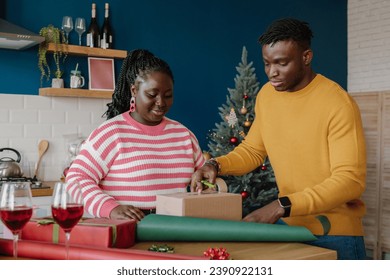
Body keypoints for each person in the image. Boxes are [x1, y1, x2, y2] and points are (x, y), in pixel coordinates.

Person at [191, 18, 367, 260]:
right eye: (267, 63)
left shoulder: (338, 103)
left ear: (306, 57)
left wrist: (281, 205)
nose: (272, 73)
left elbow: (350, 181)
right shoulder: (267, 95)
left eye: (282, 63)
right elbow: (253, 150)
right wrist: (216, 164)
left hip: (337, 235)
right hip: (291, 231)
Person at [66, 49, 205, 221]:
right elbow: (76, 178)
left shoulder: (184, 134)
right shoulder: (111, 133)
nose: (161, 103)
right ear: (134, 90)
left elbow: (204, 179)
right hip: (126, 229)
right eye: (152, 95)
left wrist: (205, 182)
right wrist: (110, 208)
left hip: (177, 228)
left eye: (168, 96)